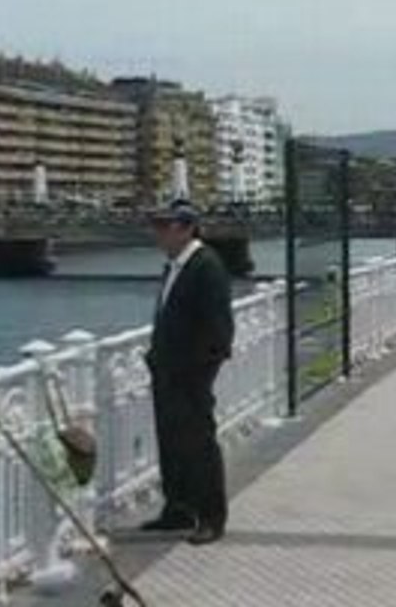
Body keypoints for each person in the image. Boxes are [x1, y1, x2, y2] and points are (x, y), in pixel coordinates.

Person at [143, 200, 235, 546]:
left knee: (198, 444)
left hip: (191, 372)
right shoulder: (174, 266)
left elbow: (219, 327)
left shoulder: (205, 266)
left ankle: (211, 516)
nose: (159, 233)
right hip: (168, 369)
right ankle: (178, 508)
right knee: (172, 442)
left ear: (185, 228)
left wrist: (201, 369)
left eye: (164, 226)